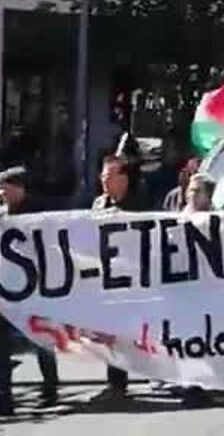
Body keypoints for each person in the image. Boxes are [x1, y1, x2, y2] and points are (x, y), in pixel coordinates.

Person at [0, 167, 59, 418]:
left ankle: (50, 389)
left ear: (21, 188)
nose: (2, 192)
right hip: (2, 291)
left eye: (7, 187)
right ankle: (2, 398)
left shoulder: (38, 214)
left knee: (41, 339)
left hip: (34, 289)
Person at [89, 151, 146, 402]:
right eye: (102, 175)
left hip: (136, 277)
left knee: (141, 331)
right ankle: (116, 383)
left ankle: (164, 376)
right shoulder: (98, 205)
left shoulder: (141, 205)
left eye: (109, 175)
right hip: (109, 278)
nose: (104, 180)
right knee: (111, 332)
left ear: (124, 179)